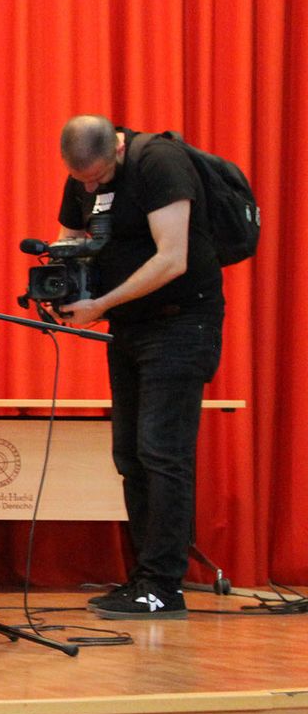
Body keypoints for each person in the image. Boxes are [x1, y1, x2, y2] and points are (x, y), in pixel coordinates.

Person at [53, 116, 225, 620]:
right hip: (128, 328)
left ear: (119, 150)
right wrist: (61, 281)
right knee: (129, 454)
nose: (88, 187)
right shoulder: (84, 176)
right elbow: (68, 237)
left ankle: (164, 586)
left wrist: (102, 302)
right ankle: (143, 577)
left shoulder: (159, 164)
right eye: (80, 179)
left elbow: (173, 258)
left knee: (162, 454)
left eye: (97, 178)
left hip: (180, 323)